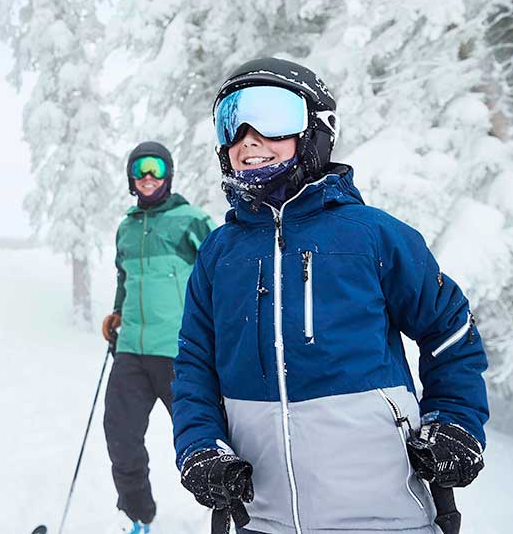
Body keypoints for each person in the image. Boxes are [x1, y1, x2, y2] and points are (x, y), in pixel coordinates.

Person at [172, 58, 488, 534]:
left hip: (385, 516)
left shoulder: (371, 235)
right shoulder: (220, 254)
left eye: (273, 117)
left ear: (317, 129)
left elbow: (450, 332)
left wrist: (456, 421)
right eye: (232, 121)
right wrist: (200, 447)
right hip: (263, 518)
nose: (249, 139)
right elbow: (194, 365)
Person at [101, 142, 215, 533]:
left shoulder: (191, 220)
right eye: (140, 170)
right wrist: (117, 313)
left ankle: (228, 507)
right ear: (131, 178)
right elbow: (124, 278)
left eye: (156, 169)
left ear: (168, 174)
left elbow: (218, 275)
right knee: (120, 434)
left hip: (178, 350)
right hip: (131, 348)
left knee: (203, 434)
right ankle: (137, 514)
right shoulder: (127, 227)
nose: (148, 177)